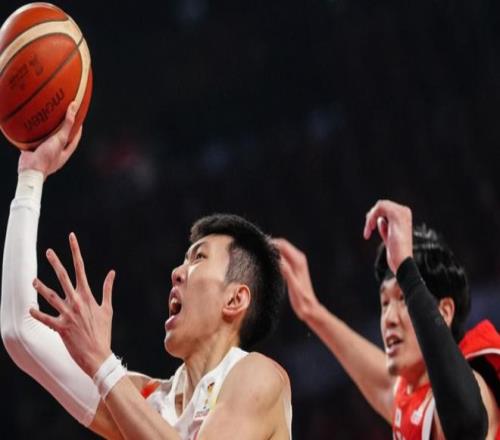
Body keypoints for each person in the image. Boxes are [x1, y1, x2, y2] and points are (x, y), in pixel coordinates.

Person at [1, 104, 292, 439]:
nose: (177, 272)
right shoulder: (148, 402)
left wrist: (103, 366)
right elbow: (20, 331)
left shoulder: (257, 375)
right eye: (184, 260)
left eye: (199, 258)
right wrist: (31, 177)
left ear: (235, 299)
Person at [274, 200, 500, 439]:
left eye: (403, 298)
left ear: (444, 312)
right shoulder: (411, 394)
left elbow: (465, 424)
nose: (389, 318)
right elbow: (384, 383)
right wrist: (311, 310)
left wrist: (407, 270)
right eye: (384, 303)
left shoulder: (477, 384)